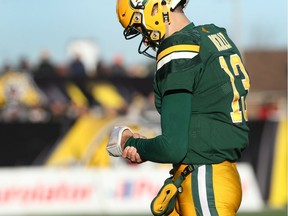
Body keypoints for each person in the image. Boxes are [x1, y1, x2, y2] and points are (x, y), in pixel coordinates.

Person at [114, 0, 250, 215]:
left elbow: (173, 147)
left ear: (155, 8)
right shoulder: (214, 36)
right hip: (216, 175)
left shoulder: (179, 47)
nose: (144, 38)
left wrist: (132, 143)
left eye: (139, 27)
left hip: (204, 179)